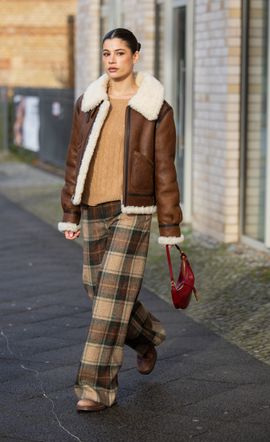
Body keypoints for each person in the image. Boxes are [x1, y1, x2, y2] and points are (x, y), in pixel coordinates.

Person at [58, 28, 184, 412]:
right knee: (97, 289)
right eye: (106, 53)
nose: (112, 60)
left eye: (120, 53)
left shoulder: (155, 109)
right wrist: (70, 211)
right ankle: (146, 337)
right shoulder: (89, 102)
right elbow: (75, 159)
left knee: (111, 300)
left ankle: (95, 388)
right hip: (94, 207)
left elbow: (165, 170)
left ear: (136, 57)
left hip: (134, 211)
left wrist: (170, 226)